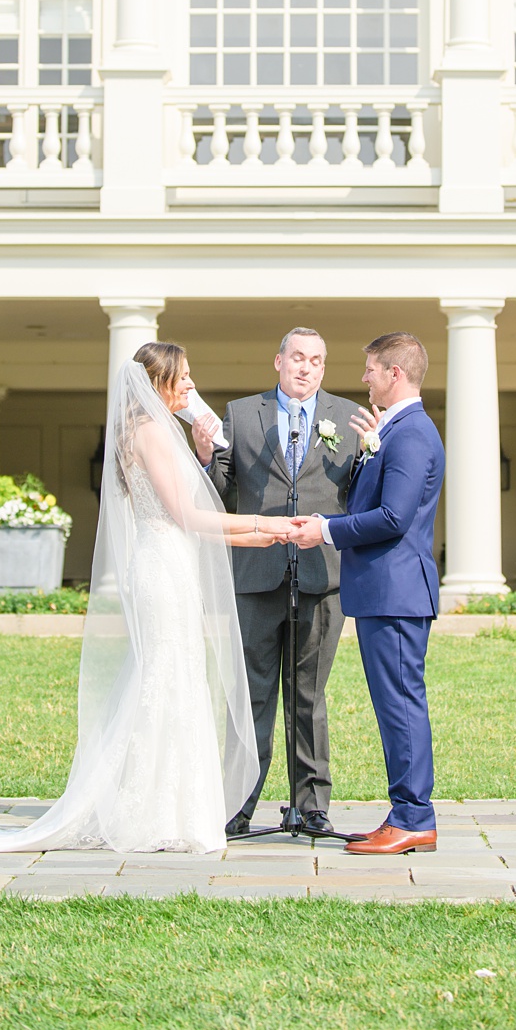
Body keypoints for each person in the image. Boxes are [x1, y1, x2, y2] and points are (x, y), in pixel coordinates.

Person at [0, 345, 277, 855]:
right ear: (158, 383)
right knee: (168, 678)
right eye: (183, 378)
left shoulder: (150, 431)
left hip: (166, 562)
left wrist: (205, 452)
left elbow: (185, 505)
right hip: (164, 567)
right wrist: (263, 527)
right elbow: (188, 516)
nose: (192, 386)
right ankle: (155, 814)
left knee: (171, 676)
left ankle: (162, 808)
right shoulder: (149, 431)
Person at [276, 331, 446, 854]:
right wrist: (371, 448)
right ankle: (407, 813)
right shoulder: (392, 431)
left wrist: (324, 530)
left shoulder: (413, 434)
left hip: (396, 594)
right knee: (394, 704)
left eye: (371, 369)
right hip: (382, 594)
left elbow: (393, 518)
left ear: (394, 374)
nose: (365, 377)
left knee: (400, 705)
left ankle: (414, 817)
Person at [207, 326, 364, 837]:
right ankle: (237, 802)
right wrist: (207, 456)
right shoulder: (240, 415)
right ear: (278, 362)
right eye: (297, 358)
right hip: (255, 575)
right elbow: (221, 492)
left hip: (320, 577)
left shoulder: (346, 418)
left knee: (309, 695)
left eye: (316, 361)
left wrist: (375, 453)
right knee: (251, 695)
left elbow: (359, 494)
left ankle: (311, 805)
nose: (306, 368)